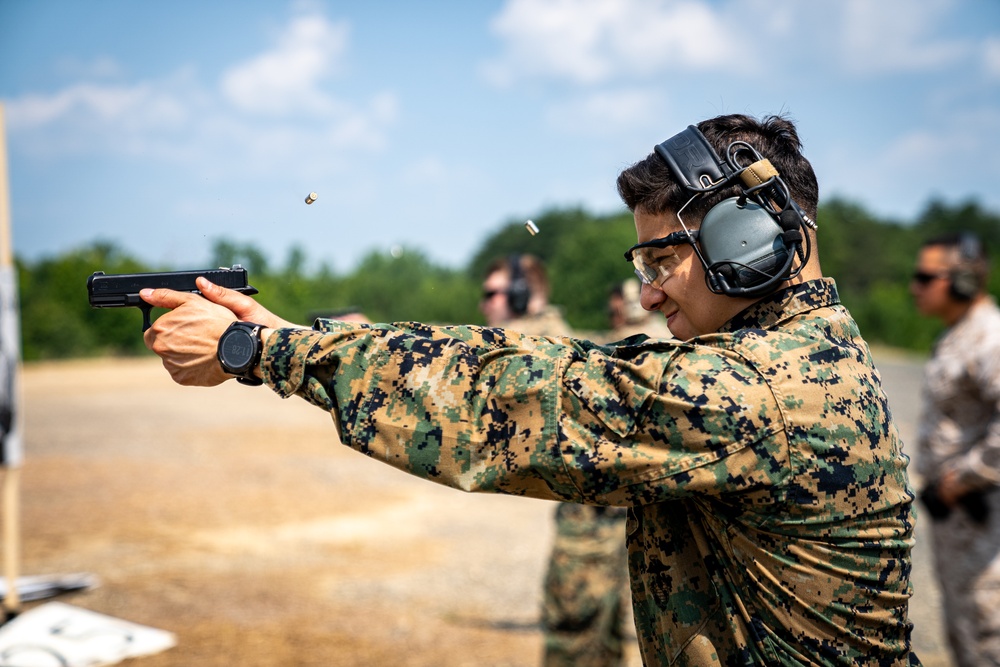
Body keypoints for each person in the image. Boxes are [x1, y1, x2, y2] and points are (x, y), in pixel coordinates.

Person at [140, 113, 920, 666]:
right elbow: (541, 363)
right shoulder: (806, 355)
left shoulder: (762, 389)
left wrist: (262, 352)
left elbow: (512, 400)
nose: (647, 294)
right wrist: (295, 339)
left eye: (660, 261)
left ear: (744, 238)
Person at [479, 253, 632, 667]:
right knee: (606, 633)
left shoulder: (536, 341)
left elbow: (452, 355)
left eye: (492, 293)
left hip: (593, 516)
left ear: (521, 294)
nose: (484, 303)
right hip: (607, 508)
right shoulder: (545, 339)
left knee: (574, 630)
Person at [911, 231, 1000, 667]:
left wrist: (961, 480)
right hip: (962, 522)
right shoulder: (960, 334)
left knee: (988, 638)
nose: (915, 287)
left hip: (984, 523)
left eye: (926, 277)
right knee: (965, 633)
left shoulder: (990, 338)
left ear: (964, 281)